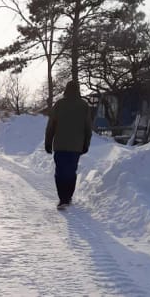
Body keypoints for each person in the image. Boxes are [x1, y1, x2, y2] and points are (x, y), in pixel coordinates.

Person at [44, 80, 92, 209]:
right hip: (76, 146)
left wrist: (48, 142)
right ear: (78, 90)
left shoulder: (59, 104)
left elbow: (51, 125)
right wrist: (86, 144)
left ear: (66, 90)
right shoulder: (84, 106)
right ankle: (68, 196)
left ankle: (62, 198)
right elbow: (88, 128)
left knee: (60, 171)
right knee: (71, 171)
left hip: (60, 145)